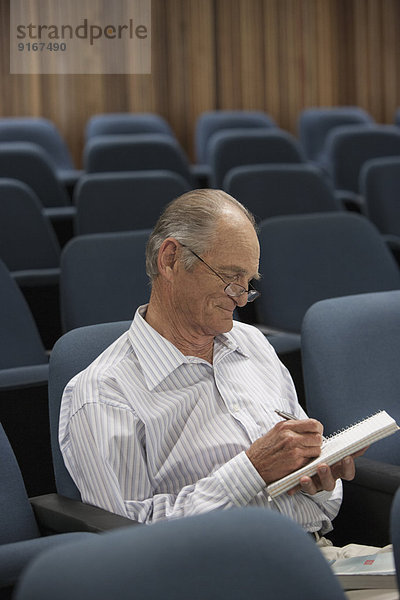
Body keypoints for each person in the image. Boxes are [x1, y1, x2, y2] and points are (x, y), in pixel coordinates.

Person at [59, 189, 397, 598]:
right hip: (210, 584)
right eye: (229, 277)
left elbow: (320, 506)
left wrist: (319, 481)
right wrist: (250, 471)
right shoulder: (102, 393)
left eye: (249, 282)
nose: (241, 298)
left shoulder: (252, 345)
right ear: (170, 260)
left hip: (312, 559)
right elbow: (128, 549)